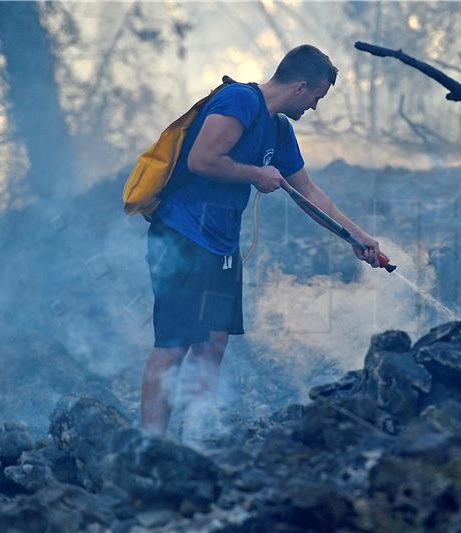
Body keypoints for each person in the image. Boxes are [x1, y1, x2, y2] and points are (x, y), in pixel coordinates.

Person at [140, 45, 385, 436]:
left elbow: (308, 191)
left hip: (221, 246)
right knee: (174, 344)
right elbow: (201, 160)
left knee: (213, 345)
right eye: (318, 98)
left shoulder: (280, 130)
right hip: (181, 235)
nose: (315, 109)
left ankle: (197, 439)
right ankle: (151, 446)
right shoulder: (239, 100)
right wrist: (255, 174)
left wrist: (356, 237)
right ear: (301, 87)